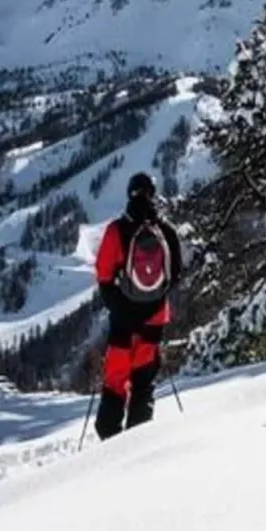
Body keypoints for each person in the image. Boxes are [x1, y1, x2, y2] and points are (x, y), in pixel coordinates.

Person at [93, 171, 184, 440]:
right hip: (155, 319)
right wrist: (155, 301)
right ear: (152, 194)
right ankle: (138, 443)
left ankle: (109, 437)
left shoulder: (117, 229)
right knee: (143, 382)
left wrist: (116, 305)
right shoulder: (166, 232)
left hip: (123, 319)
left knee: (115, 379)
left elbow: (104, 274)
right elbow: (175, 274)